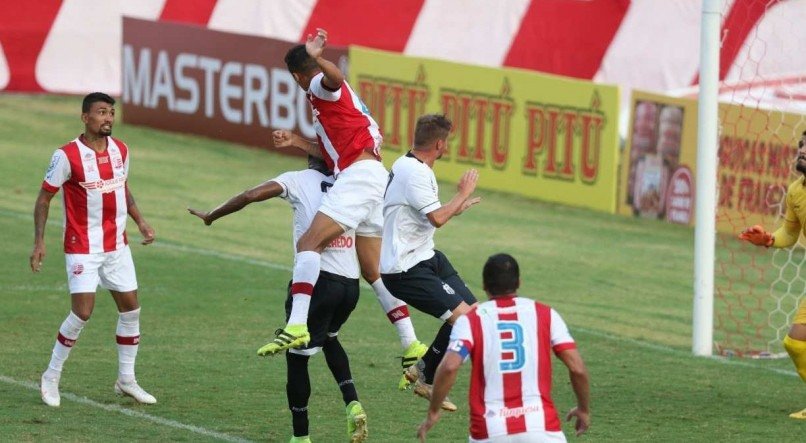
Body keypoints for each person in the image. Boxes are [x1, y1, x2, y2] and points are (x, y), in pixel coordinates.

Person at [188, 156, 369, 442]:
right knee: (330, 337)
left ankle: (300, 437)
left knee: (297, 358)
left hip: (317, 283)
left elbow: (250, 195)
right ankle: (352, 403)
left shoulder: (297, 179)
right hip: (350, 285)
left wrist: (213, 215)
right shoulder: (351, 183)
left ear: (310, 158)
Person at [258, 28, 399, 368]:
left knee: (308, 244)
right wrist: (296, 141)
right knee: (372, 270)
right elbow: (329, 151)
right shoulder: (329, 110)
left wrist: (320, 58)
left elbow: (334, 79)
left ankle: (295, 326)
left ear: (295, 76)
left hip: (360, 178)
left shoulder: (321, 86)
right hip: (374, 177)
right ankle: (411, 343)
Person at [31, 92, 157, 407]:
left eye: (111, 113)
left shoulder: (121, 150)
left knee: (131, 309)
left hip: (117, 244)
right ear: (85, 117)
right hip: (82, 245)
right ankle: (51, 375)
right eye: (101, 112)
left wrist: (140, 222)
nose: (108, 119)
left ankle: (126, 380)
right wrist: (39, 242)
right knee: (82, 312)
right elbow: (44, 198)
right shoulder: (67, 155)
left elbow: (122, 186)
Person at [417, 253, 591, 442]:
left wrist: (433, 412)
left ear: (484, 286)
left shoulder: (471, 319)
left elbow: (450, 366)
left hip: (490, 430)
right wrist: (583, 408)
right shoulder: (545, 314)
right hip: (541, 427)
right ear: (519, 282)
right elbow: (578, 368)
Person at [380, 114, 482, 410]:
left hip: (427, 257)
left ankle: (422, 369)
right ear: (439, 143)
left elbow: (431, 213)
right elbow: (437, 219)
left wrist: (456, 206)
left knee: (473, 316)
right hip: (405, 268)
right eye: (446, 141)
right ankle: (427, 376)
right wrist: (462, 193)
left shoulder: (409, 164)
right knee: (462, 320)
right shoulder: (416, 173)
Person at [738, 130, 806, 420]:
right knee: (795, 343)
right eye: (802, 144)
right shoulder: (796, 191)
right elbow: (790, 231)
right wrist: (768, 240)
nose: (802, 149)